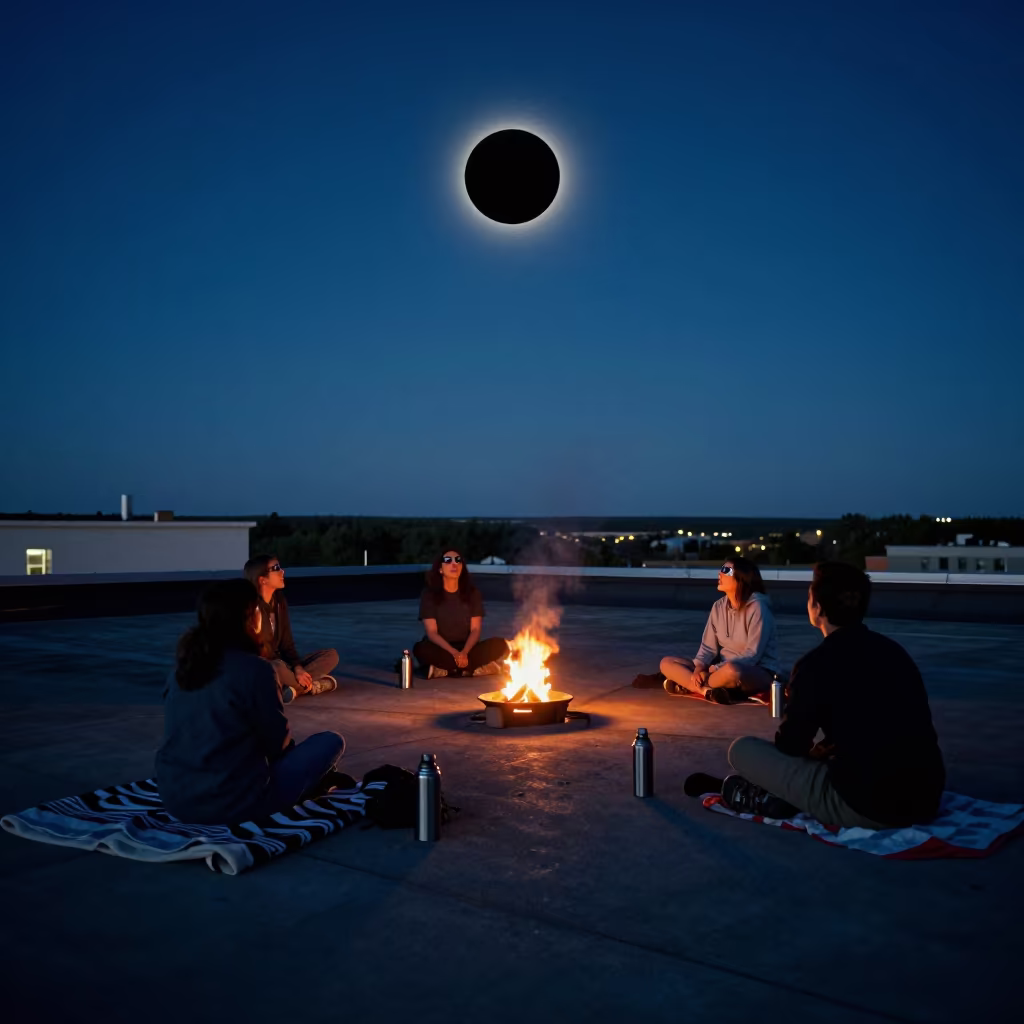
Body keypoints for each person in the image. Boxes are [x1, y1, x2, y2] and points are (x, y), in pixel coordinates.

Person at [691, 562, 946, 828]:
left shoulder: (815, 665)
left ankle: (776, 797)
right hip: (928, 796)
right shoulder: (895, 652)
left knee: (742, 750)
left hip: (869, 806)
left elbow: (791, 746)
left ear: (818, 609)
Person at [156, 578, 349, 824]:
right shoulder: (256, 670)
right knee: (330, 741)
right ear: (250, 617)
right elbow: (277, 745)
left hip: (175, 800)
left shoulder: (181, 670)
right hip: (234, 804)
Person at [636, 557, 782, 704]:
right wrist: (699, 669)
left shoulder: (757, 608)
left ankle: (689, 685)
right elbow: (707, 648)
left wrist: (714, 669)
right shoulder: (718, 607)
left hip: (755, 671)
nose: (720, 574)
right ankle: (706, 691)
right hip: (717, 671)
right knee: (666, 663)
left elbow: (752, 655)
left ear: (742, 578)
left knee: (732, 670)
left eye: (726, 570)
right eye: (721, 569)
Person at [243, 554, 339, 704]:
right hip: (266, 667)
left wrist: (298, 668)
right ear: (262, 579)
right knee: (276, 667)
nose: (282, 572)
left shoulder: (279, 601)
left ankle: (292, 689)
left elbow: (287, 644)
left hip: (283, 664)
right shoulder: (250, 608)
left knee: (331, 655)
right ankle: (311, 685)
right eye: (276, 568)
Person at [413, 549, 509, 679]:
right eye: (448, 561)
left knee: (499, 644)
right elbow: (432, 633)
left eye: (458, 561)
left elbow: (475, 630)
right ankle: (471, 669)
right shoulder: (429, 595)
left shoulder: (473, 594)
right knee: (420, 649)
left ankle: (446, 670)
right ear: (440, 569)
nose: (454, 564)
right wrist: (454, 653)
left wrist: (464, 652)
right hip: (442, 648)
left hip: (467, 647)